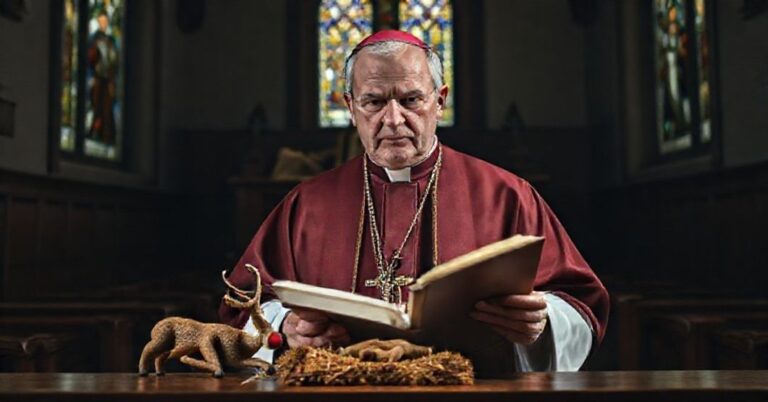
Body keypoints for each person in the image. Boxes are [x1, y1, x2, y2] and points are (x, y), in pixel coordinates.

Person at [220, 30, 609, 374]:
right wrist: (284, 327)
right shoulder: (306, 205)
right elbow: (240, 306)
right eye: (374, 102)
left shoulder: (506, 195)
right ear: (351, 107)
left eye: (410, 99)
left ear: (439, 101)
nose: (393, 119)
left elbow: (581, 306)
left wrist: (542, 323)